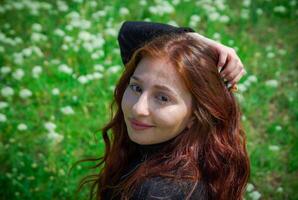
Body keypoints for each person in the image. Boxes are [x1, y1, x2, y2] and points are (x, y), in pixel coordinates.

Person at [75, 21, 250, 200]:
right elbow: (128, 33)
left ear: (196, 115)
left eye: (163, 98)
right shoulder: (202, 156)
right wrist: (192, 40)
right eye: (136, 87)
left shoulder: (157, 193)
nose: (138, 108)